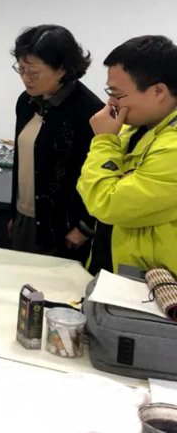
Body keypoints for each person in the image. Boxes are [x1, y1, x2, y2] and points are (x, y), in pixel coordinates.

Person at [77, 35, 177, 274]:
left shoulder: (172, 147)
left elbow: (107, 204)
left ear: (158, 91)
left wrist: (103, 141)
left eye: (117, 94)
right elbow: (87, 186)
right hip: (112, 271)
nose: (111, 103)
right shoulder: (133, 130)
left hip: (151, 285)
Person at [8, 25, 103, 262]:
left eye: (33, 72)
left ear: (61, 69)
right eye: (21, 69)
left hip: (65, 228)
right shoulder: (26, 102)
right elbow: (22, 160)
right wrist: (14, 213)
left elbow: (98, 173)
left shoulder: (89, 110)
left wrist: (85, 227)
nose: (25, 78)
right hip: (24, 216)